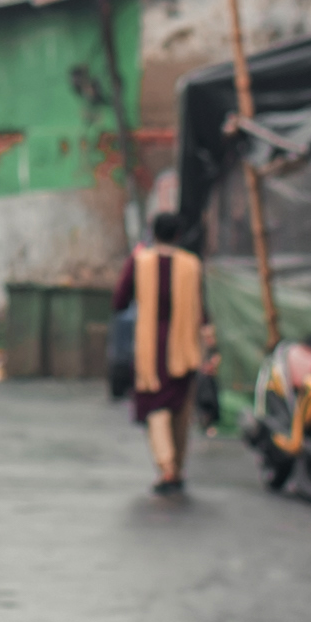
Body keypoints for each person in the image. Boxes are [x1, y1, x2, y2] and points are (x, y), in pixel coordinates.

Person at [118, 210, 213, 499]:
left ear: (153, 233)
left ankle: (166, 466)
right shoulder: (191, 265)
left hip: (152, 348)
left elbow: (119, 300)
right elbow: (202, 306)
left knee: (156, 407)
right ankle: (177, 467)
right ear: (178, 235)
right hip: (184, 346)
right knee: (180, 410)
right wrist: (211, 344)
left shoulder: (140, 263)